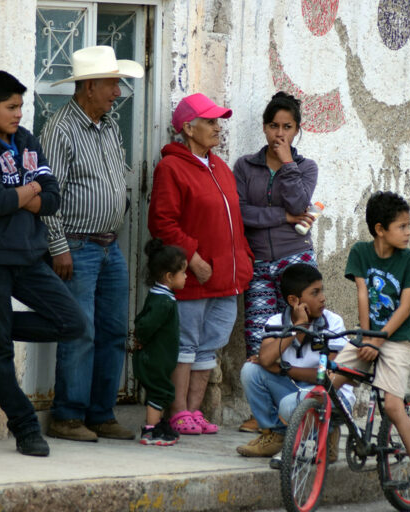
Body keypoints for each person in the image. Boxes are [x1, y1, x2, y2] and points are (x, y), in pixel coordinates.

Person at [0, 70, 87, 457]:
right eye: (11, 107)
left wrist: (17, 193)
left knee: (72, 323)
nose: (18, 114)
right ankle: (25, 427)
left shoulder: (26, 140)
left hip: (29, 254)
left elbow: (53, 199)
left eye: (21, 106)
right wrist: (29, 190)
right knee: (0, 350)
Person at [39, 46, 144, 442]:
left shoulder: (109, 126)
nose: (117, 92)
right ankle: (67, 416)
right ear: (88, 87)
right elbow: (49, 193)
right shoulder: (61, 129)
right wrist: (58, 246)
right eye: (112, 84)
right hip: (77, 245)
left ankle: (101, 413)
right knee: (80, 331)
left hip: (108, 246)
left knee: (114, 331)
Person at [148, 93, 254, 435]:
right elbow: (162, 222)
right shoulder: (171, 168)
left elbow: (234, 222)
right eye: (209, 121)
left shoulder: (220, 168)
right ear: (188, 128)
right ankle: (178, 411)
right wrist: (192, 259)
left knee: (209, 347)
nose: (217, 127)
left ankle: (194, 412)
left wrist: (244, 260)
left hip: (225, 278)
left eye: (217, 121)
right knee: (185, 344)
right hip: (193, 277)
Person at [332, 191, 410, 511]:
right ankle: (307, 445)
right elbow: (363, 295)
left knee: (393, 405)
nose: (408, 232)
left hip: (397, 340)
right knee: (328, 384)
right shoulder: (360, 252)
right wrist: (367, 339)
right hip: (369, 336)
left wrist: (378, 341)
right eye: (402, 226)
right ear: (380, 229)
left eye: (408, 226)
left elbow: (405, 308)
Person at [234, 91, 319, 433]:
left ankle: (300, 406)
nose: (279, 134)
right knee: (259, 337)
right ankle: (263, 415)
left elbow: (300, 204)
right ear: (264, 127)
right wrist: (283, 217)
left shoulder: (305, 168)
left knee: (301, 331)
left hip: (295, 259)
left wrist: (287, 164)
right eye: (273, 126)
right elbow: (241, 213)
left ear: (297, 130)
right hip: (257, 261)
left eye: (287, 127)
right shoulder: (245, 166)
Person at [236, 263, 346, 463]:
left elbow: (326, 376)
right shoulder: (276, 321)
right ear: (294, 301)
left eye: (322, 290)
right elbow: (265, 360)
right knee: (250, 370)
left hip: (328, 392)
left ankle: (328, 433)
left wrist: (284, 369)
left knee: (289, 405)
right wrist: (298, 327)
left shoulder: (333, 322)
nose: (322, 298)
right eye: (315, 293)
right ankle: (276, 435)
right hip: (297, 388)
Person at [133, 239, 187, 446]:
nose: (186, 277)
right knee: (160, 391)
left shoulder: (162, 296)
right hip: (154, 358)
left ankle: (158, 425)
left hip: (159, 357)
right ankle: (151, 430)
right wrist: (141, 338)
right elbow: (145, 324)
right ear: (169, 276)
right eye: (183, 273)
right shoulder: (163, 302)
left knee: (162, 389)